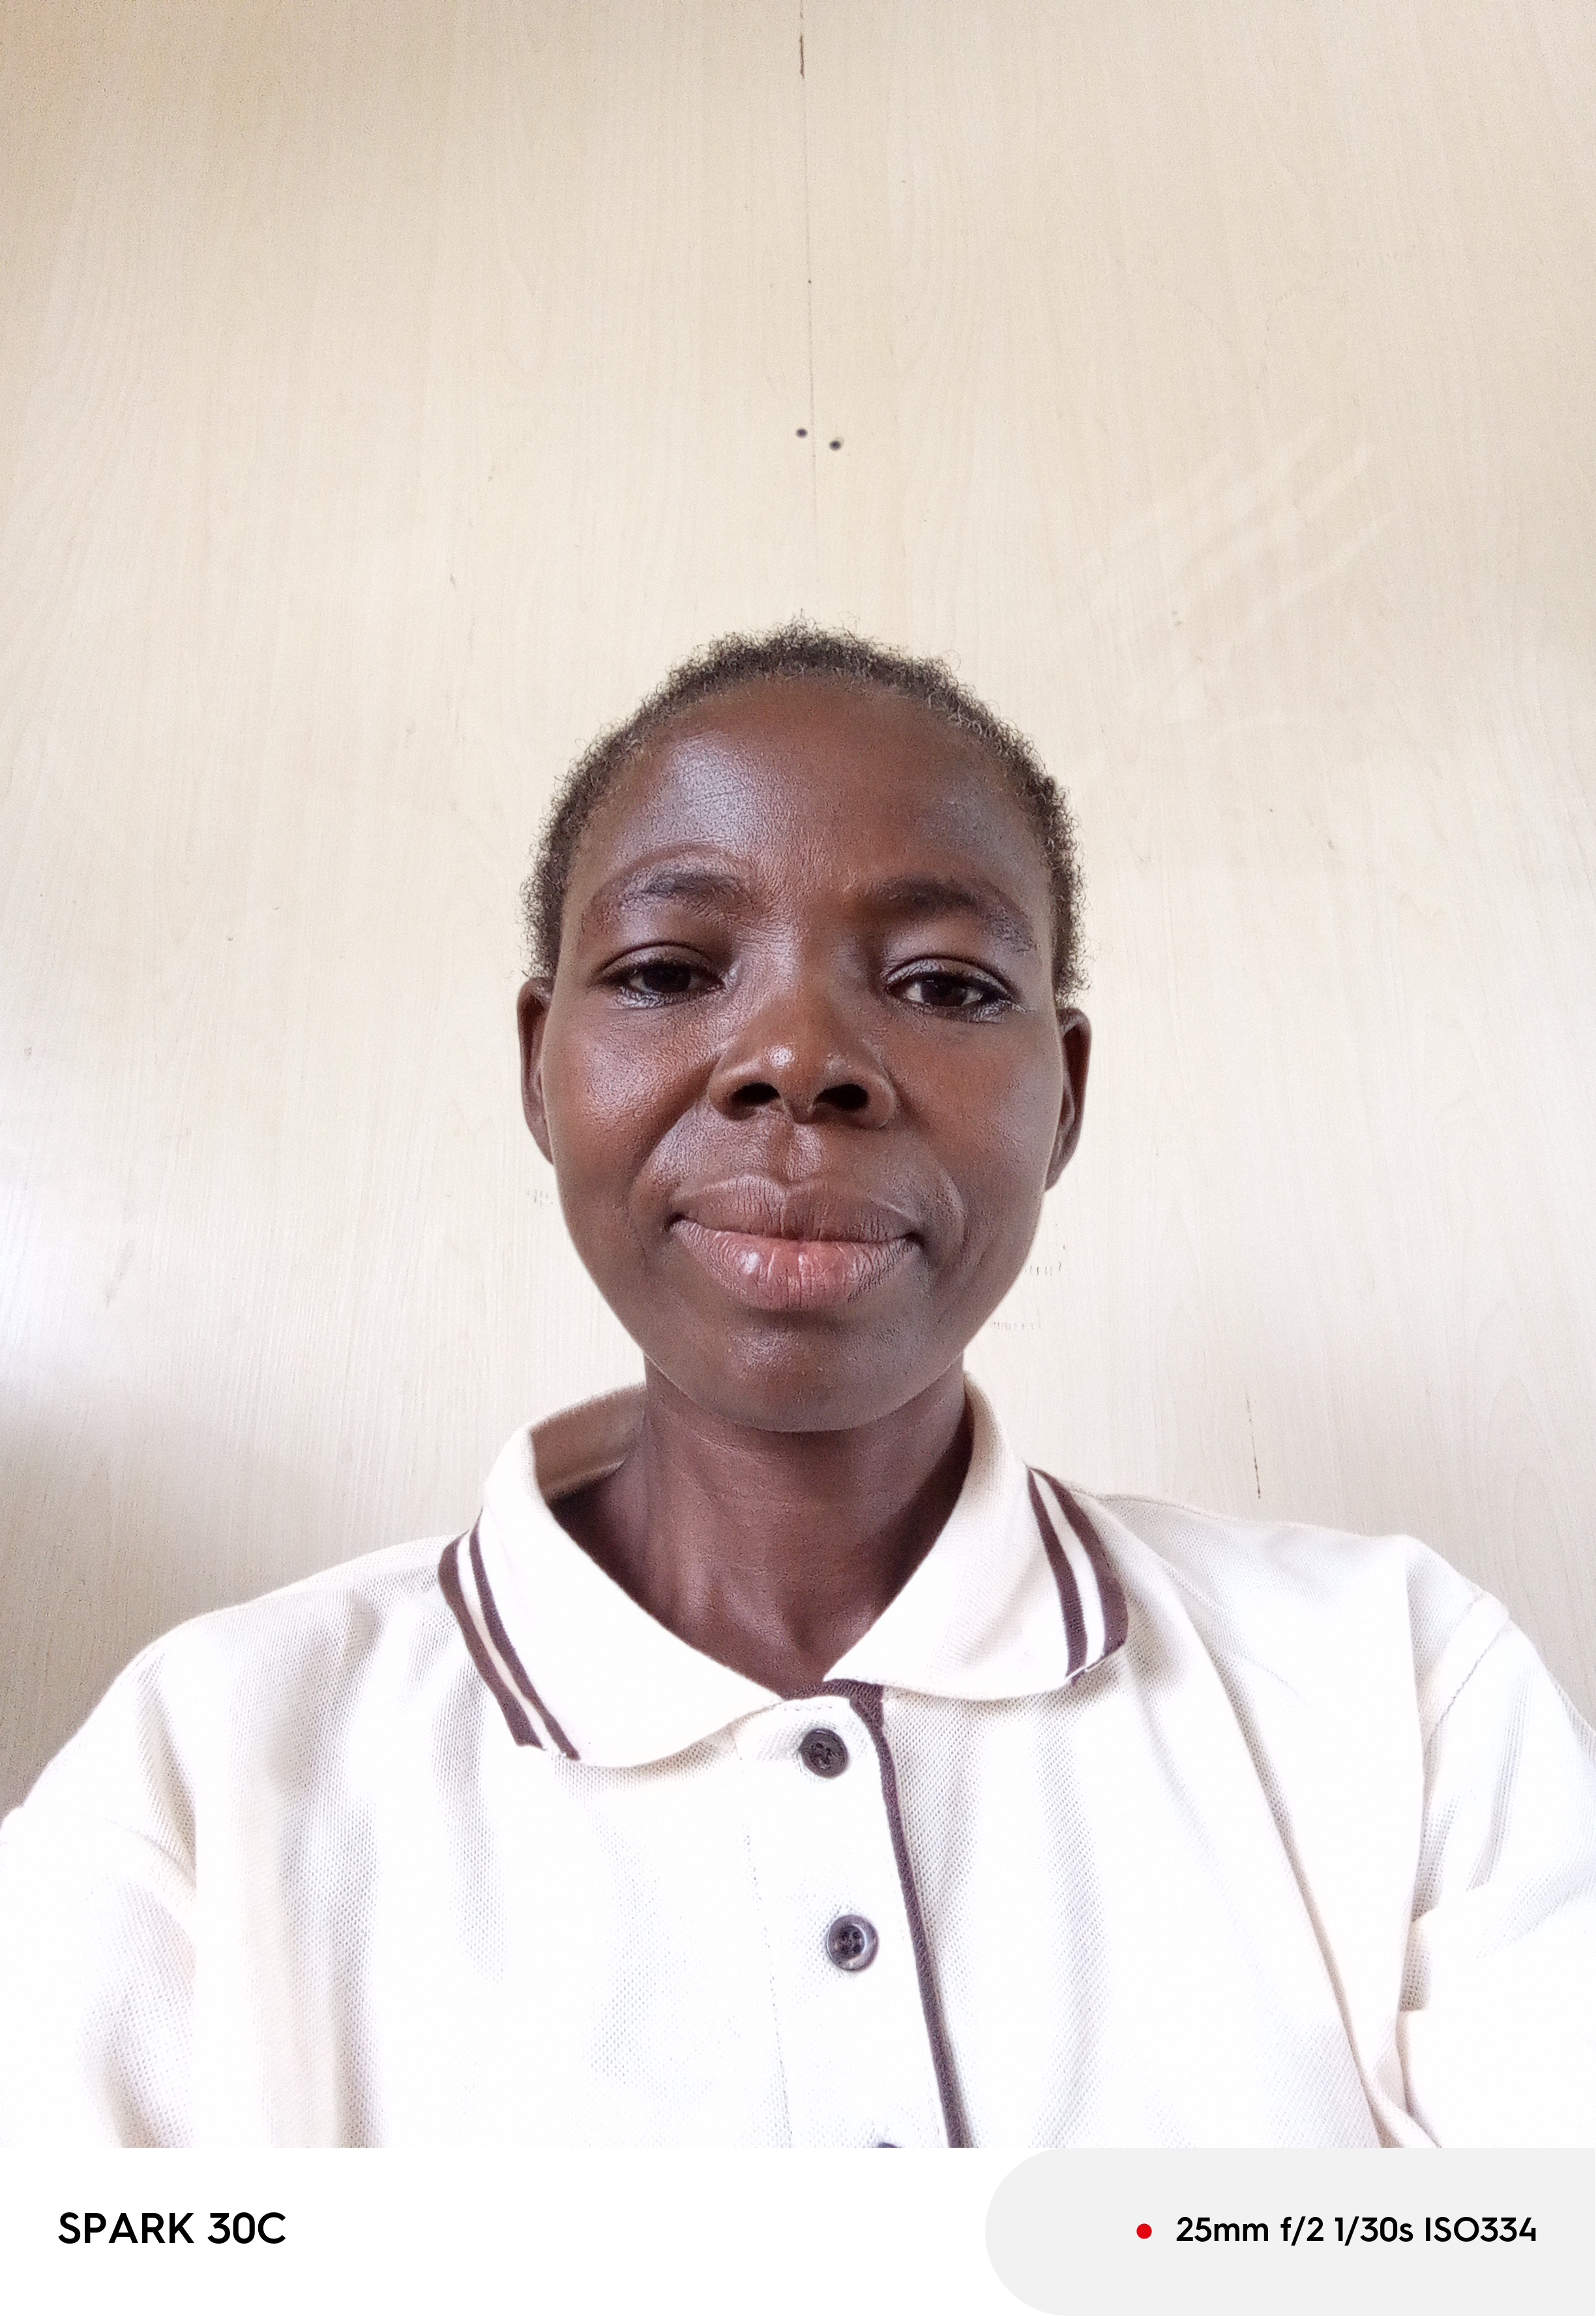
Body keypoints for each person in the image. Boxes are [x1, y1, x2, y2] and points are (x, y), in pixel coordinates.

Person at [1, 626, 1593, 2148]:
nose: (798, 1057)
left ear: (1065, 1098)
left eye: (947, 986)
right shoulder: (203, 1773)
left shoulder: (1398, 1687)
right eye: (668, 969)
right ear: (542, 1068)